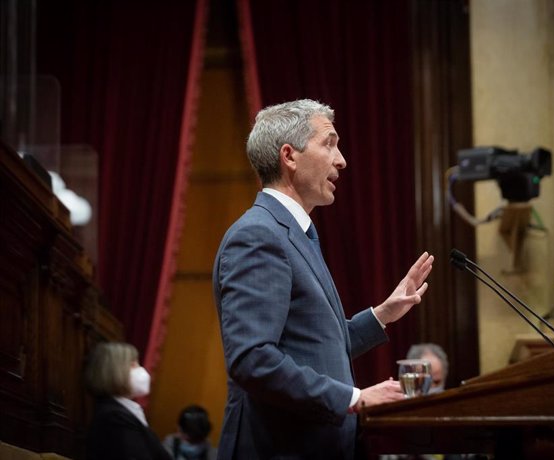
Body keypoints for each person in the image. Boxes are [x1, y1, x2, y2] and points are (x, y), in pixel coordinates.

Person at [212, 99, 434, 460]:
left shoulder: (293, 234)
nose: (341, 159)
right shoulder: (258, 235)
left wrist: (381, 315)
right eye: (329, 143)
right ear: (289, 156)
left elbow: (310, 345)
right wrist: (354, 398)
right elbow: (252, 358)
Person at [84, 341, 172, 460]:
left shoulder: (122, 410)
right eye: (133, 365)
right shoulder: (114, 417)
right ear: (114, 371)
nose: (141, 370)